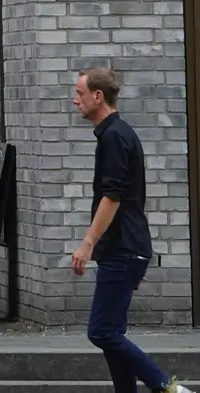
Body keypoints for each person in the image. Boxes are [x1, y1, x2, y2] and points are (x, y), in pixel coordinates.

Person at [72, 67, 192, 393]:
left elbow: (113, 196)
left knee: (101, 331)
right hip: (124, 248)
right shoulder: (117, 134)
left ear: (98, 96)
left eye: (80, 93)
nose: (75, 100)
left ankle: (167, 387)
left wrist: (87, 243)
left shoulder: (114, 137)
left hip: (123, 249)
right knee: (112, 332)